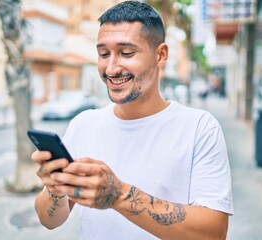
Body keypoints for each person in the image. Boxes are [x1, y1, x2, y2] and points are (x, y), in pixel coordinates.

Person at [31, 1, 233, 239]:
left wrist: (118, 195)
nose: (111, 68)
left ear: (161, 55)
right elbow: (50, 220)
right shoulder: (83, 125)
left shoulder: (200, 127)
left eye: (126, 53)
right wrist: (55, 189)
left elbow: (213, 233)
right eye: (103, 54)